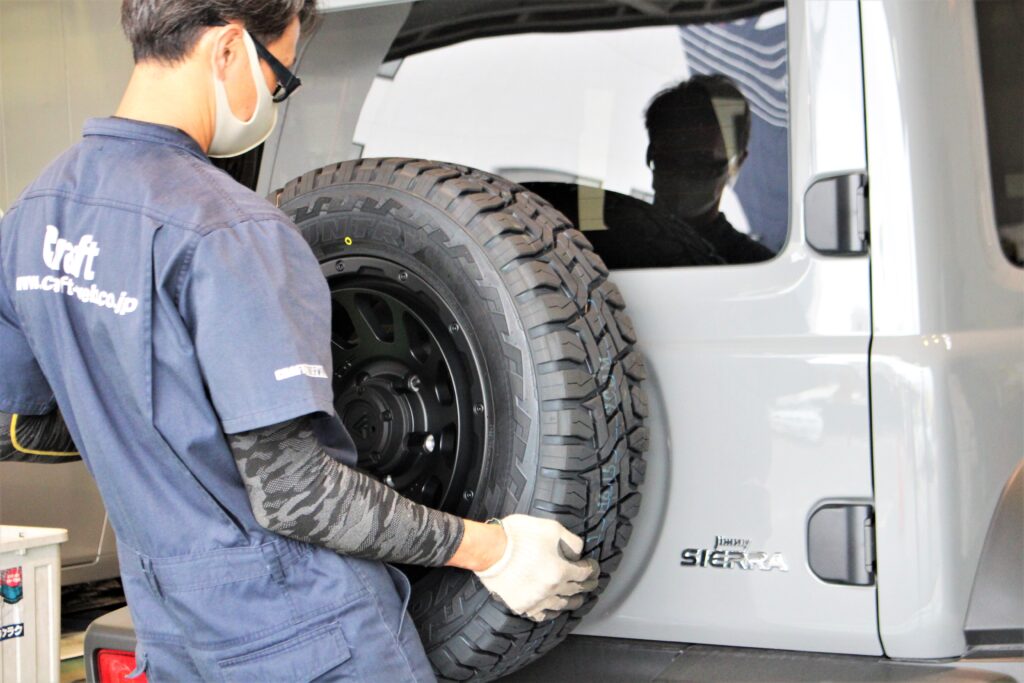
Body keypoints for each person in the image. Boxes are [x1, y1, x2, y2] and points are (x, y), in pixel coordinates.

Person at [0, 1, 598, 680]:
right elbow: (297, 493)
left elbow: (16, 426)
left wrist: (156, 420)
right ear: (227, 48)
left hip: (174, 628)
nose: (274, 99)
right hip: (305, 632)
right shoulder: (231, 230)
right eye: (279, 77)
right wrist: (494, 549)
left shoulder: (34, 217)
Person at [644, 75, 774, 264]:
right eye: (670, 158)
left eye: (700, 162)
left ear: (737, 163)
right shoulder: (610, 243)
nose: (683, 174)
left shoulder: (756, 267)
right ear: (652, 153)